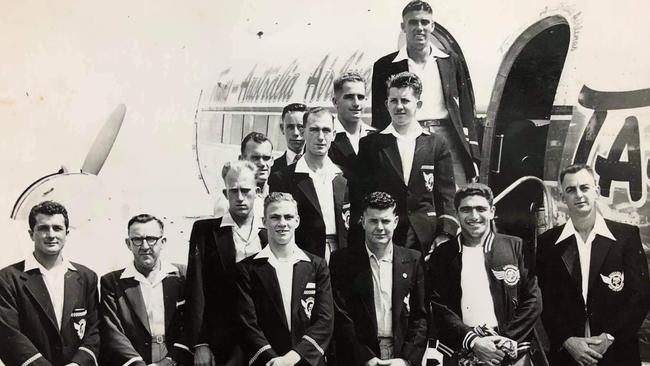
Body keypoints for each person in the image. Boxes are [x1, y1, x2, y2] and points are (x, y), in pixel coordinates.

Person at [536, 164, 650, 366]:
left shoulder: (625, 236)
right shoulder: (548, 242)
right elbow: (546, 300)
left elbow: (639, 296)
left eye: (585, 188)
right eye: (570, 190)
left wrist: (609, 337)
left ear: (596, 191)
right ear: (563, 198)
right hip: (568, 356)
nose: (579, 195)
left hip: (617, 353)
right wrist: (568, 341)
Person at [426, 183, 541, 366]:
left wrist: (503, 340)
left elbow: (533, 300)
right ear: (457, 213)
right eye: (466, 210)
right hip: (463, 349)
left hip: (509, 350)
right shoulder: (444, 254)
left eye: (481, 209)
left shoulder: (515, 247)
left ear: (492, 211)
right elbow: (439, 304)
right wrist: (474, 341)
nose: (474, 216)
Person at [371, 0, 480, 185]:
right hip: (407, 136)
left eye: (424, 22)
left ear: (432, 26)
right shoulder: (385, 66)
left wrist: (473, 155)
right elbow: (380, 116)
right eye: (413, 22)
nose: (419, 28)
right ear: (403, 27)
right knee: (414, 198)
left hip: (448, 138)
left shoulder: (451, 61)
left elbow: (467, 111)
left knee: (455, 196)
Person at [354, 71, 457, 254]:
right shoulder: (371, 144)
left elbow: (446, 194)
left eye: (405, 101)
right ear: (386, 104)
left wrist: (445, 233)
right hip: (385, 235)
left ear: (418, 104)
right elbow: (360, 193)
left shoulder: (436, 144)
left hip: (427, 236)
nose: (399, 106)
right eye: (394, 101)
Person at [234, 192, 333, 366]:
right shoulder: (247, 269)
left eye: (288, 217)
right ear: (264, 222)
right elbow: (247, 324)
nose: (282, 223)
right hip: (267, 362)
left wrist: (292, 358)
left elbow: (324, 320)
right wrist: (273, 360)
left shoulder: (316, 265)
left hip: (306, 361)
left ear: (297, 221)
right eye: (275, 217)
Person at [185, 161, 268, 366]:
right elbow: (196, 289)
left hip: (265, 337)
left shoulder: (269, 232)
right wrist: (200, 343)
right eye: (234, 191)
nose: (240, 198)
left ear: (257, 191)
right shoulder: (206, 231)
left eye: (246, 190)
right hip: (222, 339)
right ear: (225, 193)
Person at [330, 192, 427, 366]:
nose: (380, 227)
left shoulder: (413, 259)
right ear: (363, 222)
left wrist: (406, 360)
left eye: (386, 221)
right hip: (358, 356)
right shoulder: (342, 261)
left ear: (396, 222)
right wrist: (364, 357)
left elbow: (420, 316)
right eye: (374, 221)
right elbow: (341, 314)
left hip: (400, 353)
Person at [0, 201, 99, 366]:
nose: (51, 235)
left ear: (67, 233)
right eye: (43, 228)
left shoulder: (86, 277)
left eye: (57, 228)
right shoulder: (8, 278)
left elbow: (94, 330)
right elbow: (7, 334)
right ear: (31, 234)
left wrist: (78, 364)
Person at [100, 214, 192, 366]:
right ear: (128, 244)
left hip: (176, 361)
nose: (144, 246)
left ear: (162, 242)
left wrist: (171, 360)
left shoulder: (182, 275)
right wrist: (136, 363)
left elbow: (192, 322)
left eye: (151, 239)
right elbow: (112, 330)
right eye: (137, 240)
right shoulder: (112, 282)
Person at [269, 106, 349, 262]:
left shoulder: (345, 177)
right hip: (303, 258)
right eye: (313, 130)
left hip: (342, 259)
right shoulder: (283, 178)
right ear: (304, 132)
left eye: (326, 130)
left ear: (333, 135)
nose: (320, 137)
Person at [214, 132, 274, 219]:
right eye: (255, 158)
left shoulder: (278, 192)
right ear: (241, 160)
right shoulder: (229, 203)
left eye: (266, 158)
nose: (262, 163)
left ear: (272, 160)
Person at [329, 71, 376, 178]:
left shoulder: (376, 137)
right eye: (349, 97)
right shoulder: (324, 137)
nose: (356, 103)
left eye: (360, 97)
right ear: (335, 102)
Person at [271, 103, 307, 175]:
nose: (296, 133)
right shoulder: (272, 169)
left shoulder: (318, 165)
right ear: (282, 129)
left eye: (301, 127)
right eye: (290, 127)